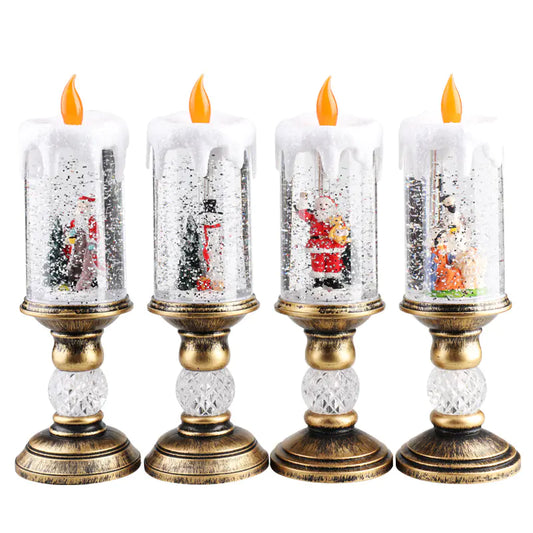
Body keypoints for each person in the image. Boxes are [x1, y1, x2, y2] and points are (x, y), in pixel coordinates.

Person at [297, 193, 348, 289]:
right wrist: (303, 200)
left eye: (326, 204)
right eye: (320, 205)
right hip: (317, 243)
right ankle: (318, 281)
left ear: (331, 206)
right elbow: (303, 215)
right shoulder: (313, 216)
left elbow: (343, 228)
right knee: (317, 261)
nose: (323, 207)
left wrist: (341, 233)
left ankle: (332, 280)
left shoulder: (336, 217)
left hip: (332, 243)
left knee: (334, 260)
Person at [66, 196, 99, 291]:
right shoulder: (75, 221)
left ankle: (83, 286)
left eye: (85, 207)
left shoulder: (92, 220)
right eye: (80, 207)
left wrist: (93, 242)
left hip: (89, 244)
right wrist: (70, 237)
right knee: (75, 261)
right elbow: (72, 231)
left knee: (87, 263)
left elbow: (95, 233)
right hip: (78, 245)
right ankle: (72, 282)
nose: (82, 209)